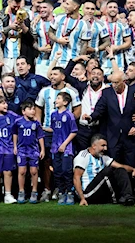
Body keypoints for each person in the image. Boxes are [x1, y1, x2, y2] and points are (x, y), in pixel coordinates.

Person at [35, 67, 81, 202]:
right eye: (51, 74)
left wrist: (67, 122)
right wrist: (40, 126)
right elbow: (39, 108)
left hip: (65, 134)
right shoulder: (44, 91)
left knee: (66, 165)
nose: (52, 76)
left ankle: (66, 191)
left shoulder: (71, 92)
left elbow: (77, 109)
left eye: (55, 74)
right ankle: (49, 189)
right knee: (48, 162)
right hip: (49, 132)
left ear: (63, 77)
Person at [82, 73, 135, 168]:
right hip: (113, 136)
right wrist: (91, 117)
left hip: (130, 137)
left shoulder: (134, 92)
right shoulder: (107, 92)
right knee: (113, 167)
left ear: (124, 82)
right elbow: (100, 109)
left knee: (131, 165)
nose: (114, 85)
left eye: (116, 82)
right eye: (112, 82)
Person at [73, 134, 135, 206]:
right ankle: (116, 198)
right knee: (107, 171)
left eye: (106, 146)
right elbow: (76, 178)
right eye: (103, 146)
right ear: (94, 146)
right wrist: (82, 198)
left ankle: (128, 196)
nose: (105, 149)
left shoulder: (103, 157)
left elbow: (120, 166)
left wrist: (134, 170)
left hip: (99, 191)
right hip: (87, 193)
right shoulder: (83, 156)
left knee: (120, 170)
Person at [13, 101, 45, 204]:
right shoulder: (18, 122)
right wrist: (15, 146)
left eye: (33, 109)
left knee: (34, 171)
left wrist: (42, 149)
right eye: (30, 109)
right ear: (23, 111)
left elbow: (40, 136)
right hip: (22, 150)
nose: (33, 111)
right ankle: (21, 192)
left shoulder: (36, 123)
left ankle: (34, 192)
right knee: (22, 171)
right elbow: (15, 134)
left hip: (33, 150)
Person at [50, 92, 78, 205]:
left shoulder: (69, 115)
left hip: (66, 148)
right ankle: (61, 192)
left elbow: (74, 131)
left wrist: (64, 144)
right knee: (57, 171)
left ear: (65, 102)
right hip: (55, 147)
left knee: (66, 170)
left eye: (58, 98)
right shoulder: (53, 115)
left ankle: (70, 192)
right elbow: (54, 129)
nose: (56, 100)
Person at [48, 0, 91, 68]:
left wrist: (79, 62)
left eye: (67, 4)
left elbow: (84, 45)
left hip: (72, 61)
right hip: (55, 59)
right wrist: (58, 40)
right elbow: (50, 32)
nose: (64, 6)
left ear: (75, 7)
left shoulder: (84, 24)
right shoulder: (59, 17)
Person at [2, 0, 31, 74]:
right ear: (8, 2)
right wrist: (10, 27)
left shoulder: (25, 14)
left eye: (18, 6)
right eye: (14, 6)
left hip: (20, 52)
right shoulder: (2, 14)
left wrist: (23, 26)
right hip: (6, 54)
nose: (16, 8)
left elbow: (30, 37)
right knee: (6, 78)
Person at [30, 0, 55, 77]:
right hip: (41, 59)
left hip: (56, 58)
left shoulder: (59, 21)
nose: (42, 10)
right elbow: (32, 40)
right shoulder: (36, 23)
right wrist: (39, 48)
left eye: (44, 7)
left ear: (51, 9)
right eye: (40, 8)